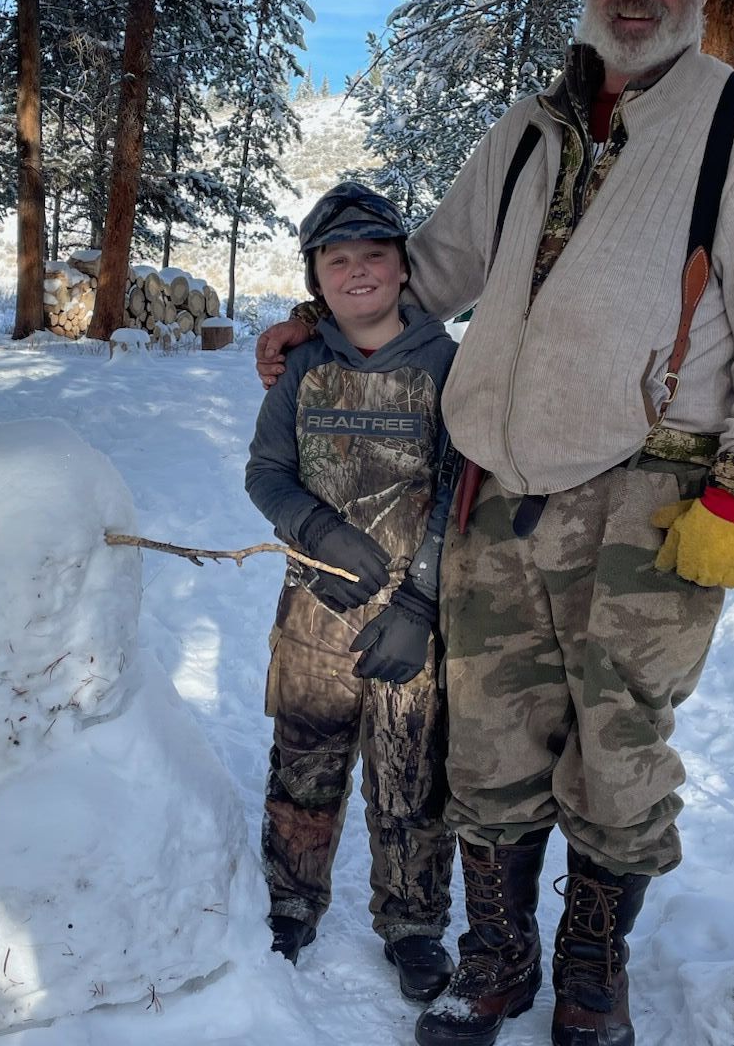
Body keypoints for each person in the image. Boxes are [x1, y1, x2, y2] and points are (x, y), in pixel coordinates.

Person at [257, 0, 734, 1046]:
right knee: (490, 742)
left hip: (652, 497)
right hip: (491, 497)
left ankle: (589, 973)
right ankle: (498, 958)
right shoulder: (531, 129)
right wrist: (321, 317)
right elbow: (431, 264)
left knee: (616, 748)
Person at [245, 181, 461, 1003]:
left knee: (412, 779)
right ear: (317, 278)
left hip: (414, 621)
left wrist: (419, 606)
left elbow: (460, 491)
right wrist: (315, 529)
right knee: (303, 765)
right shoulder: (302, 366)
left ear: (405, 270)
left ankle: (413, 923)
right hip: (313, 613)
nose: (357, 272)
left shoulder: (447, 365)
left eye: (374, 257)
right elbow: (265, 473)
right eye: (338, 261)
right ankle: (291, 903)